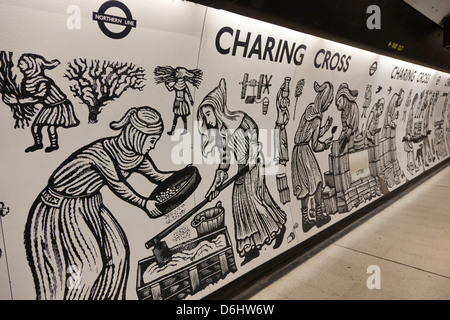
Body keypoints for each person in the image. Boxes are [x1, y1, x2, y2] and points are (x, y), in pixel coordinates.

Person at [24, 106, 174, 300]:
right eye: (151, 140)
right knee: (87, 268)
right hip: (60, 208)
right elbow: (118, 185)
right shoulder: (102, 152)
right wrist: (144, 203)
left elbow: (158, 177)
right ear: (137, 135)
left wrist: (186, 175)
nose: (152, 146)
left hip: (90, 203)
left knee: (118, 255)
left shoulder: (136, 156)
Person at [197, 78, 286, 266]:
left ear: (217, 109)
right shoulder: (221, 134)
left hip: (254, 165)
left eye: (208, 113)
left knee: (256, 200)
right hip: (241, 169)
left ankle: (278, 229)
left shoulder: (238, 117)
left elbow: (253, 130)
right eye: (204, 116)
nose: (207, 119)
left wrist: (252, 156)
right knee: (240, 208)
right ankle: (251, 248)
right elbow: (224, 161)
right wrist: (215, 185)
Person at [2, 53, 79, 152]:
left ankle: (54, 145)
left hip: (58, 105)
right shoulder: (27, 81)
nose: (19, 65)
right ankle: (38, 144)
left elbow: (37, 98)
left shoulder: (43, 82)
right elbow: (27, 95)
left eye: (23, 62)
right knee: (35, 127)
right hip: (48, 106)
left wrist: (17, 101)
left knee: (51, 128)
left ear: (32, 64)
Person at [291, 81, 333, 233]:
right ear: (325, 100)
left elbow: (309, 132)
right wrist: (325, 145)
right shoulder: (317, 118)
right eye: (329, 102)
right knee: (318, 183)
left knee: (304, 186)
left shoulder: (310, 109)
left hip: (297, 151)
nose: (328, 105)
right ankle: (320, 216)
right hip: (306, 152)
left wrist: (326, 128)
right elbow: (315, 144)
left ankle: (305, 220)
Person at [335, 83, 360, 154]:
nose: (339, 104)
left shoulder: (353, 106)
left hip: (355, 136)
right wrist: (339, 141)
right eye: (337, 104)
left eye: (339, 101)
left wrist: (348, 132)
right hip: (347, 138)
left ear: (345, 97)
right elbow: (344, 129)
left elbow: (353, 123)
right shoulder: (343, 113)